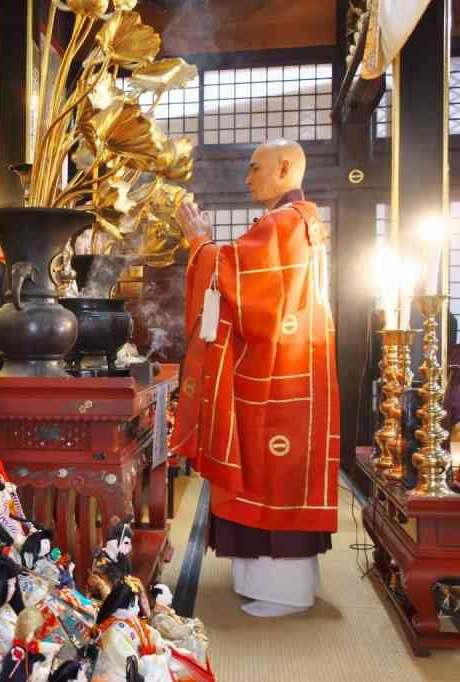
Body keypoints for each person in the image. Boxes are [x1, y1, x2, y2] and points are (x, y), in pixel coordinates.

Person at [172, 138, 339, 618]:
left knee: (270, 471)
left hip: (277, 376)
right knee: (270, 472)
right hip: (287, 368)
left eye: (254, 168)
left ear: (285, 167)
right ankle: (273, 581)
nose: (247, 178)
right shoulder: (298, 221)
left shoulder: (286, 223)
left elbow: (238, 279)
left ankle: (284, 590)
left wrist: (200, 243)